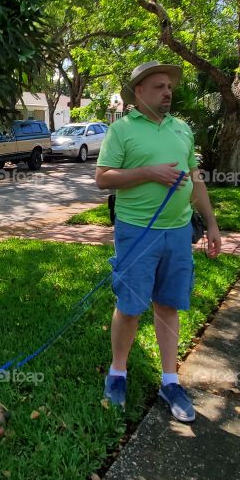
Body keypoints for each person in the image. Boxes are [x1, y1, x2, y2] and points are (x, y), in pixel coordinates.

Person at [95, 61, 222, 422]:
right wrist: (149, 172)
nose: (167, 92)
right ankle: (117, 372)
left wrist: (211, 224)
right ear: (139, 92)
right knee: (131, 306)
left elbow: (196, 179)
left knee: (168, 305)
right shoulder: (121, 130)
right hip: (136, 231)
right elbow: (103, 179)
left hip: (180, 231)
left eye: (169, 87)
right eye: (158, 87)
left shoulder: (182, 129)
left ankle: (170, 381)